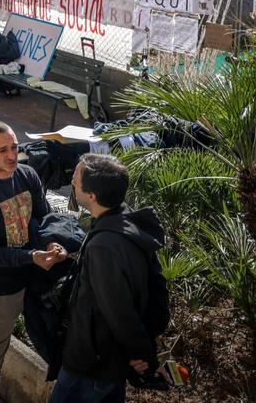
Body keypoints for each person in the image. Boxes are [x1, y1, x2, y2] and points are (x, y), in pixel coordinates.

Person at [0, 121, 66, 403]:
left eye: (14, 147)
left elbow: (42, 218)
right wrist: (30, 256)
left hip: (33, 278)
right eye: (2, 150)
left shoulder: (28, 175)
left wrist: (50, 242)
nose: (11, 155)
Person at [49, 155, 166, 403]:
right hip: (111, 361)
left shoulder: (103, 247)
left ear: (92, 195)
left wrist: (142, 353)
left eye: (76, 179)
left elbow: (118, 310)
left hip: (91, 364)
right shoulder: (129, 223)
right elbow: (156, 286)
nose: (71, 180)